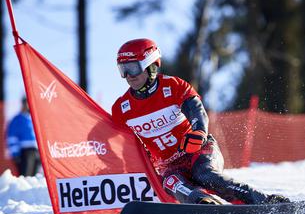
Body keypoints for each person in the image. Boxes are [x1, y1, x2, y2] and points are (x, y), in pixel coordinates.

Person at [111, 38, 290, 205]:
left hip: (197, 150)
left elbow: (196, 109)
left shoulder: (173, 86)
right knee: (172, 183)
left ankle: (264, 201)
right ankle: (203, 206)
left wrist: (199, 132)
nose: (128, 76)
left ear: (150, 65)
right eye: (123, 70)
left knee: (205, 175)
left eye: (133, 68)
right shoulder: (121, 108)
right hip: (169, 167)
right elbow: (116, 142)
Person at [6, 97, 40, 176]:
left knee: (35, 177)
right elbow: (12, 137)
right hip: (25, 152)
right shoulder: (17, 119)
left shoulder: (33, 118)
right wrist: (15, 154)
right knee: (26, 176)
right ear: (23, 104)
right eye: (27, 103)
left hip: (36, 150)